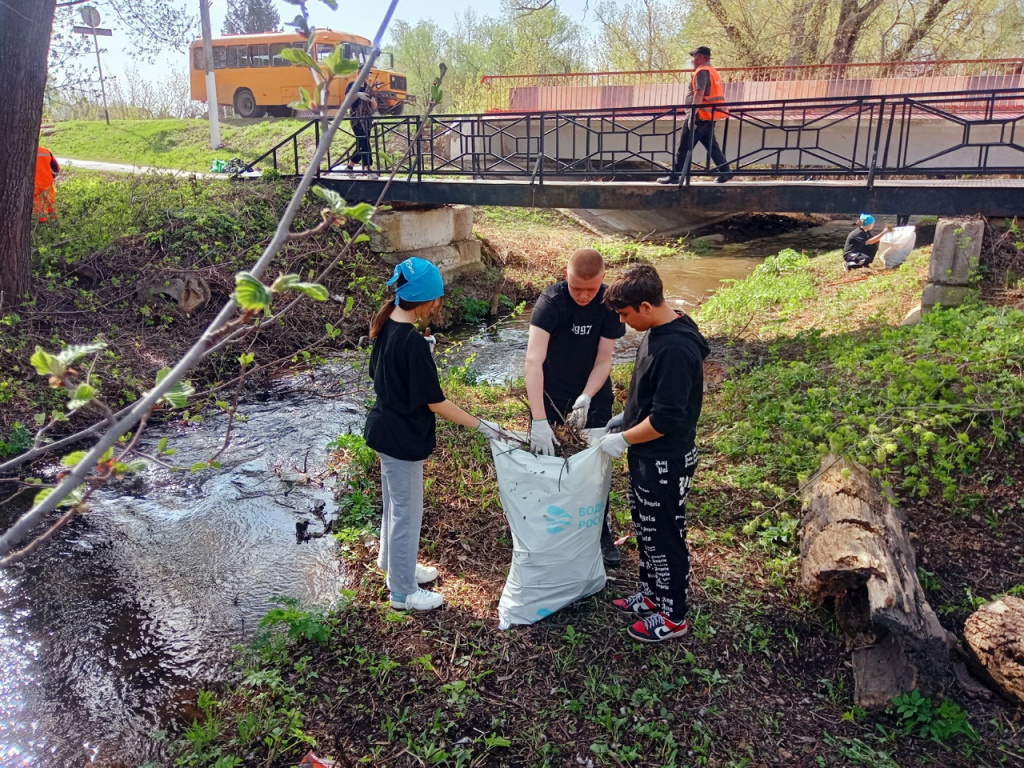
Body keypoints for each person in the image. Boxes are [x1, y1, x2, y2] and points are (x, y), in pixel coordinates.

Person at [365, 257, 514, 611]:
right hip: (402, 440)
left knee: (394, 504)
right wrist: (484, 426)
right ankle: (402, 592)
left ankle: (392, 564)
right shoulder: (413, 343)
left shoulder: (386, 327)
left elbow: (379, 374)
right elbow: (436, 402)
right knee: (407, 512)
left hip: (383, 429)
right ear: (431, 301)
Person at [597, 264, 710, 643]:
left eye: (626, 315)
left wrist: (626, 438)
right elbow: (651, 394)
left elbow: (666, 417)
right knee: (646, 530)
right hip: (647, 457)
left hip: (665, 458)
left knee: (665, 535)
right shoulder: (658, 330)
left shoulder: (676, 347)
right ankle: (652, 595)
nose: (624, 322)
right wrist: (626, 417)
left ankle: (673, 614)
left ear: (646, 305)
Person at [525, 248, 626, 566]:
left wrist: (586, 397)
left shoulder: (609, 303)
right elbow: (533, 360)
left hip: (593, 394)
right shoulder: (552, 302)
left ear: (602, 280)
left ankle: (601, 533)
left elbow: (604, 358)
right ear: (566, 276)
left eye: (591, 289)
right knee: (548, 464)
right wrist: (539, 419)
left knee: (595, 466)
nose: (583, 296)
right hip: (551, 392)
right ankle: (548, 529)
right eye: (576, 287)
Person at [657, 46, 733, 185]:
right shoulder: (713, 72)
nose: (693, 61)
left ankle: (675, 177)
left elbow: (699, 92)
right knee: (711, 145)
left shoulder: (702, 71)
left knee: (683, 147)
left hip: (699, 116)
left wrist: (692, 114)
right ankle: (725, 171)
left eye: (695, 57)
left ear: (703, 57)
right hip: (709, 115)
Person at [345, 81, 377, 176]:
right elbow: (347, 100)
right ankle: (368, 169)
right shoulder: (352, 85)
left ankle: (350, 167)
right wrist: (357, 94)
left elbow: (374, 105)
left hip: (366, 118)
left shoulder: (368, 87)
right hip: (356, 118)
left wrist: (372, 100)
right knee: (364, 142)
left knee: (362, 144)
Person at [34, 144, 60, 223]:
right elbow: (57, 168)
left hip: (34, 184)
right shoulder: (46, 151)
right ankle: (55, 222)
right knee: (50, 202)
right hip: (47, 182)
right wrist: (52, 177)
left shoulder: (24, 151)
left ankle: (42, 224)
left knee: (38, 204)